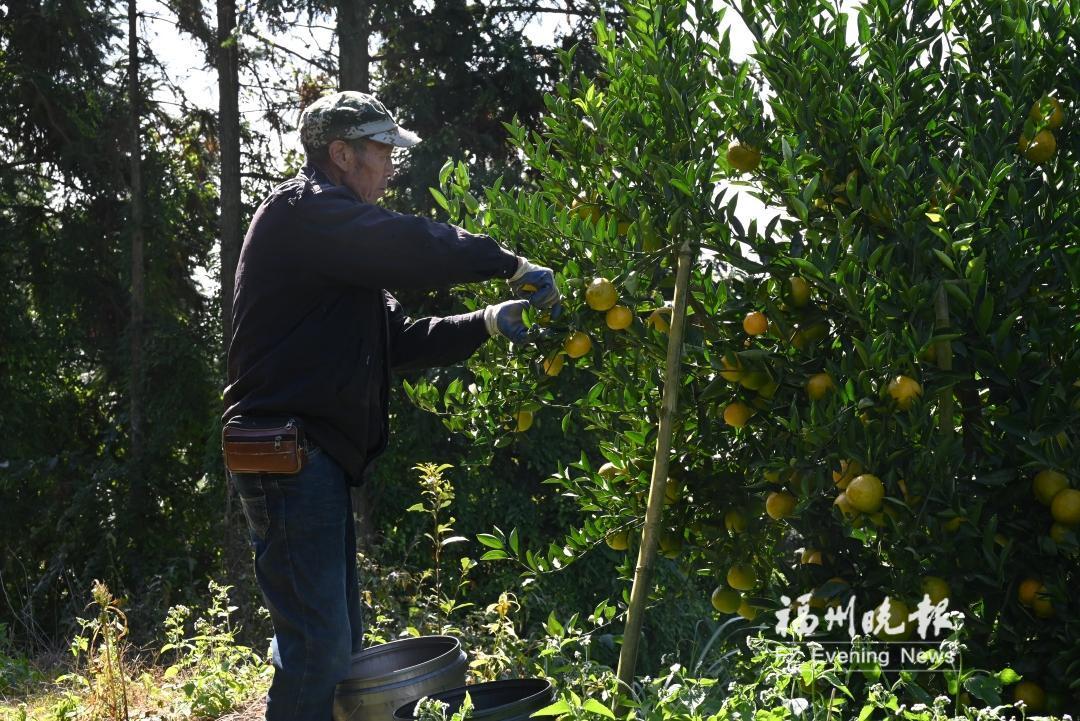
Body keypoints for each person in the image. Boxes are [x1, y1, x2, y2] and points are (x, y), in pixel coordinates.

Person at [222, 90, 560, 721]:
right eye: (383, 151)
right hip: (287, 454)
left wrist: (487, 321)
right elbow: (411, 243)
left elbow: (396, 338)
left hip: (311, 457)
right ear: (341, 153)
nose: (391, 166)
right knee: (319, 648)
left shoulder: (335, 244)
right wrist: (506, 262)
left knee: (334, 643)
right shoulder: (305, 213)